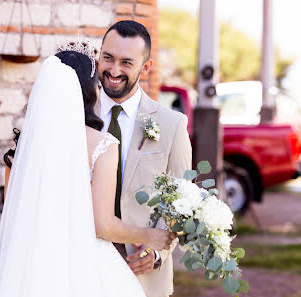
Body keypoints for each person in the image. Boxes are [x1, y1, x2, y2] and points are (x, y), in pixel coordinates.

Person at [0, 44, 175, 296]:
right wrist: (149, 236)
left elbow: (15, 217)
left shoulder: (22, 150)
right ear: (87, 91)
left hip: (30, 265)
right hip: (83, 265)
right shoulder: (102, 145)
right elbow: (103, 225)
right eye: (97, 83)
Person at [96, 21, 192, 297]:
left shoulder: (172, 125)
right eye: (108, 58)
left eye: (127, 62)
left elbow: (179, 200)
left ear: (146, 67)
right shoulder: (76, 115)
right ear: (98, 56)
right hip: (82, 265)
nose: (114, 71)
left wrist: (156, 251)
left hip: (141, 275)